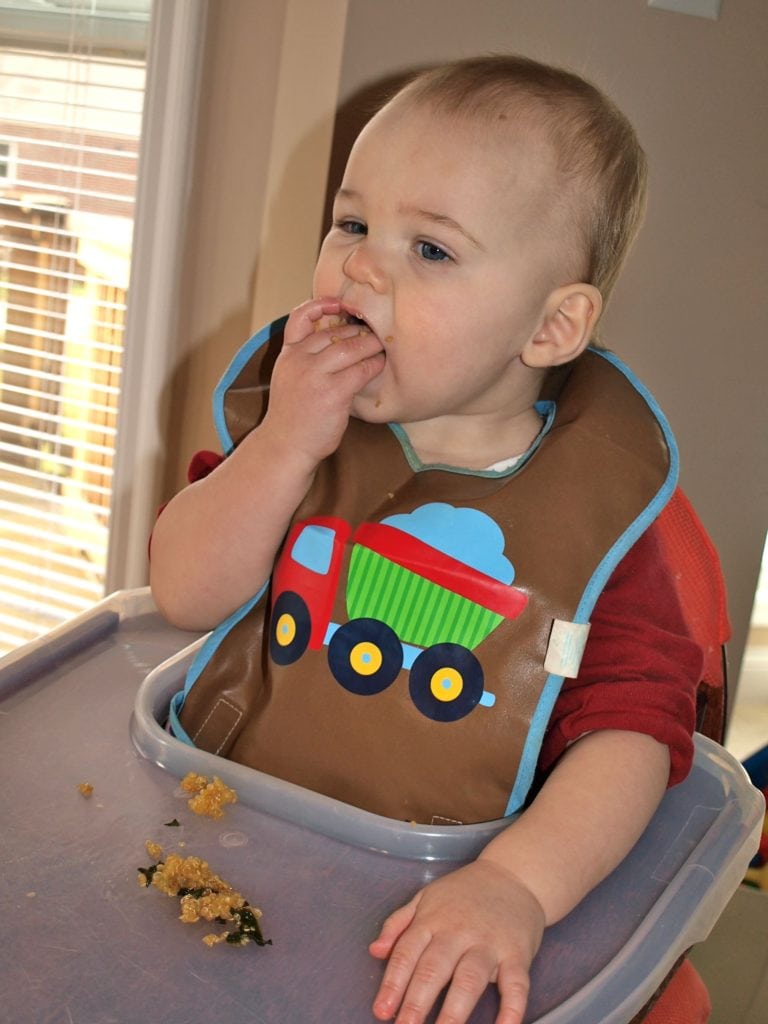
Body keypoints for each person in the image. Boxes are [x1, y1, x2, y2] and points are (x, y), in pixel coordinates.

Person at [150, 55, 712, 1024]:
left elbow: (636, 733)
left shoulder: (596, 521)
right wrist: (284, 443)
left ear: (550, 326)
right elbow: (185, 595)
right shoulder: (300, 436)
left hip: (432, 906)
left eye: (432, 250)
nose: (362, 265)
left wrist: (519, 887)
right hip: (230, 845)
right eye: (354, 224)